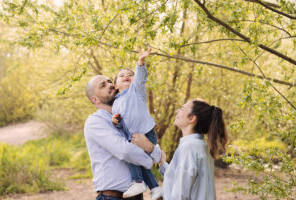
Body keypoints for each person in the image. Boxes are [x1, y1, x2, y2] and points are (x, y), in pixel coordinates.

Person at [84, 73, 162, 200]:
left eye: (110, 81)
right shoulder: (95, 121)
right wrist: (151, 160)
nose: (110, 85)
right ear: (95, 99)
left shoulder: (126, 118)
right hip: (112, 197)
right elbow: (125, 151)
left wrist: (150, 147)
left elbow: (145, 144)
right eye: (103, 85)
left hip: (136, 195)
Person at [132, 99, 228, 200]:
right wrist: (162, 163)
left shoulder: (189, 148)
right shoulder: (201, 146)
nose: (177, 111)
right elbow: (182, 179)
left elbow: (179, 195)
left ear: (191, 118)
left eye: (182, 109)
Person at [111, 47, 162, 200]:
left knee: (132, 156)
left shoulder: (136, 91)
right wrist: (115, 122)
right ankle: (154, 188)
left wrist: (140, 62)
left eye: (130, 75)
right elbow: (121, 124)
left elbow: (140, 78)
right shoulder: (116, 103)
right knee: (140, 160)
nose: (126, 76)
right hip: (133, 136)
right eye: (121, 76)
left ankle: (138, 181)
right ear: (115, 86)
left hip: (146, 133)